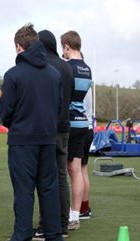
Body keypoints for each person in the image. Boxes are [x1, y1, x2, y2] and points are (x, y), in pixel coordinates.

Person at [0, 24, 65, 241]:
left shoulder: (13, 74)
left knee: (24, 192)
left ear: (18, 46)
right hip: (47, 138)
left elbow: (5, 112)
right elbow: (60, 107)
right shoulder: (54, 74)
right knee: (49, 188)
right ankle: (53, 236)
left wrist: (18, 124)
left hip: (22, 141)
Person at [32, 29, 74, 240]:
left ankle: (44, 226)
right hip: (65, 128)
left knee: (45, 179)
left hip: (47, 129)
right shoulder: (66, 66)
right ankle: (63, 225)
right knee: (60, 177)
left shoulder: (43, 65)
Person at [60, 30, 92, 230]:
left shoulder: (66, 67)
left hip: (69, 122)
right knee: (78, 171)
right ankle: (75, 214)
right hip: (83, 122)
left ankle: (65, 215)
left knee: (62, 171)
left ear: (66, 46)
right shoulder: (87, 68)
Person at [80, 88, 93, 219]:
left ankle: (82, 209)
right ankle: (83, 208)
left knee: (78, 171)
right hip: (88, 128)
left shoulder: (76, 79)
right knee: (82, 170)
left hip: (80, 128)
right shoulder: (86, 80)